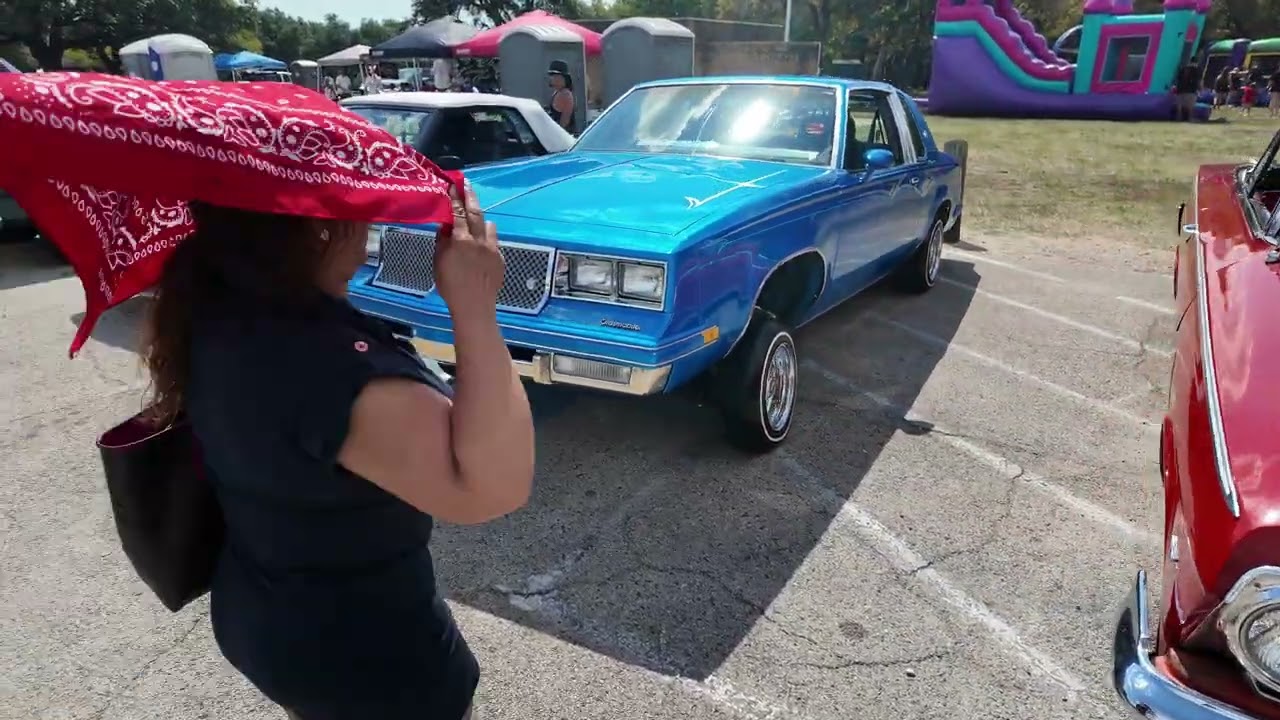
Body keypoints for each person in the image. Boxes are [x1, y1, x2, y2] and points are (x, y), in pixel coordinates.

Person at [144, 184, 534, 720]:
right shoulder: (334, 372)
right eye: (357, 211)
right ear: (316, 225)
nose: (369, 227)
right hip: (370, 661)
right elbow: (493, 488)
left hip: (264, 614)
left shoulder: (218, 308)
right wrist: (475, 306)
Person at [546, 60, 576, 133]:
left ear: (565, 78)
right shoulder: (557, 92)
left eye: (557, 76)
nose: (553, 78)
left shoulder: (565, 94)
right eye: (552, 75)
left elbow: (564, 122)